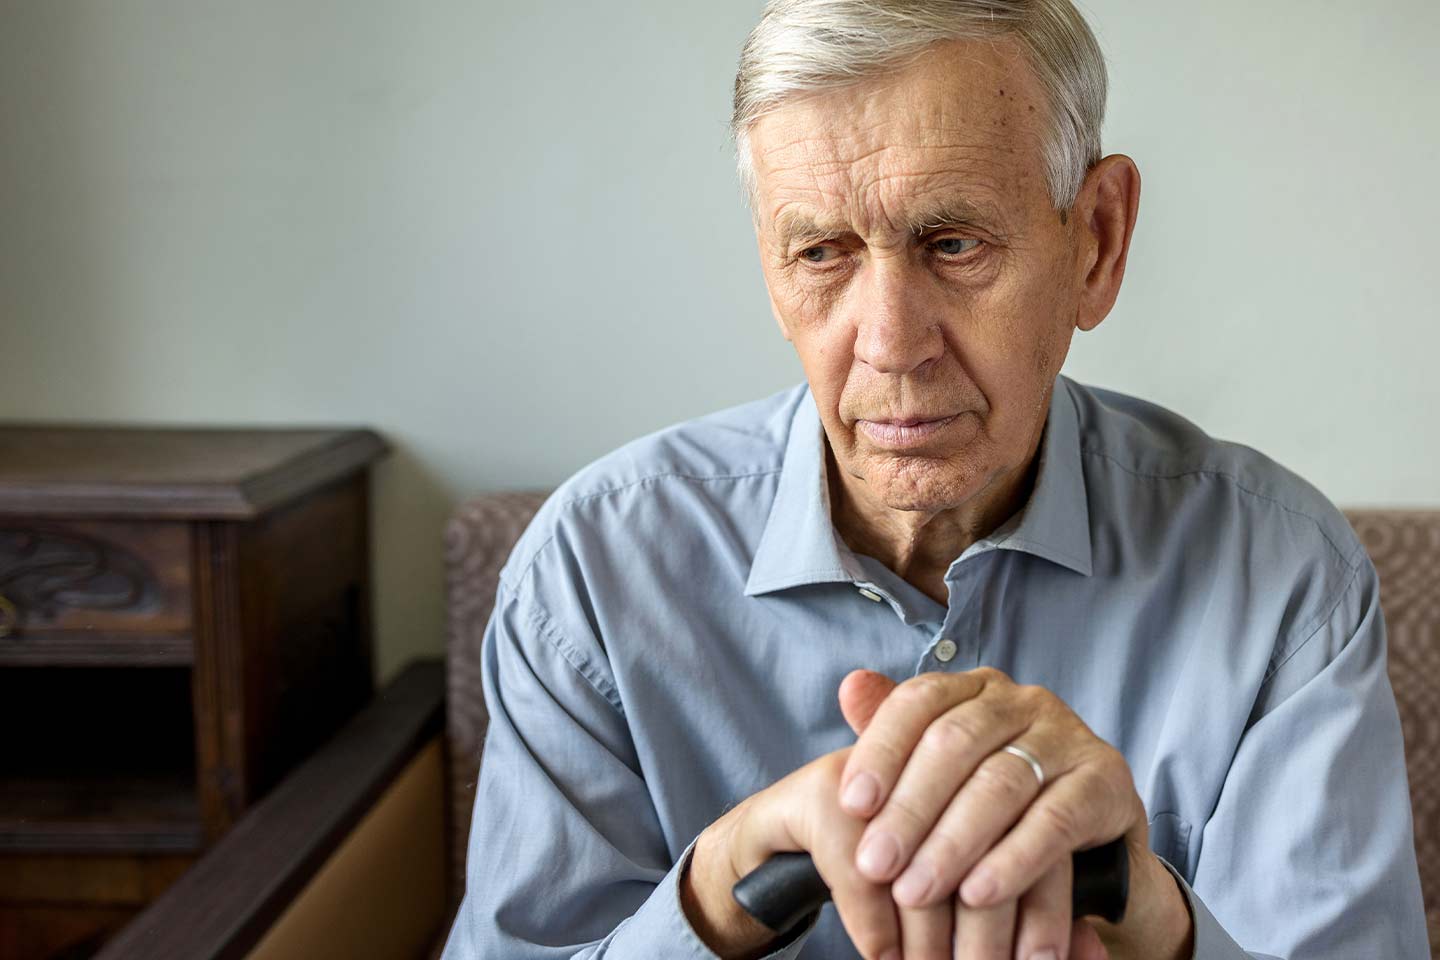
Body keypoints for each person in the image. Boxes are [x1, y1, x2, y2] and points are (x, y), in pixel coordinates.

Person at [441, 1, 1428, 957]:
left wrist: (1154, 922)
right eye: (822, 252)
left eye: (953, 243)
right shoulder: (592, 575)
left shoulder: (1286, 577)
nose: (889, 345)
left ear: (1097, 240)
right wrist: (719, 894)